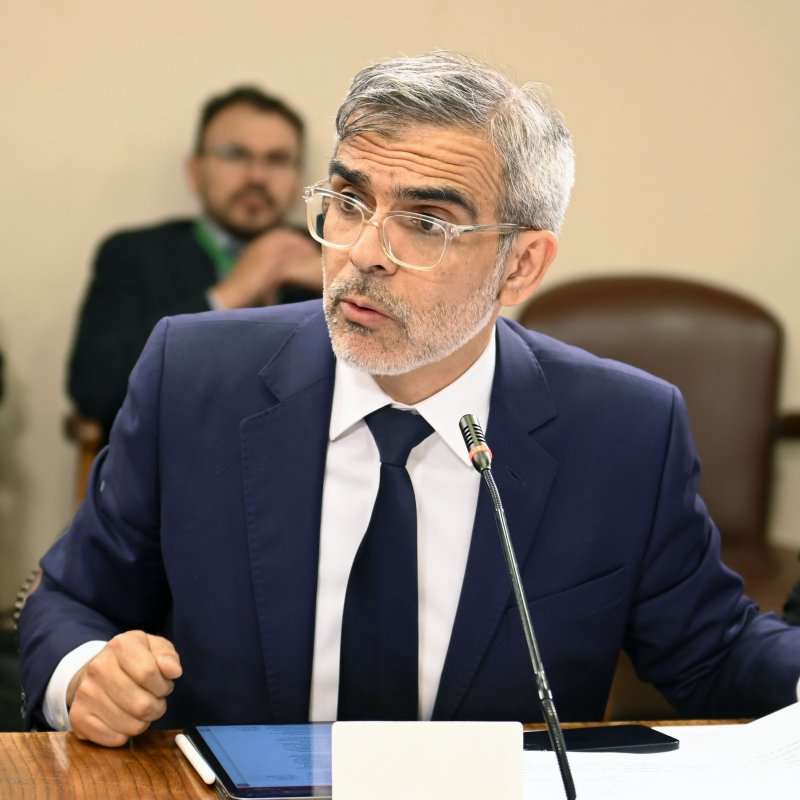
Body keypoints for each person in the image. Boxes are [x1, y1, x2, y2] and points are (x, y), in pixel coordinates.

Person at [19, 51, 800, 747]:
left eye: (426, 222)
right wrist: (86, 675)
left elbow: (717, 655)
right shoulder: (195, 376)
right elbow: (72, 601)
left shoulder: (623, 429)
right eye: (349, 201)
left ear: (522, 266)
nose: (363, 253)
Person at [68, 85, 322, 439]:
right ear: (195, 171)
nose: (257, 176)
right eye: (235, 154)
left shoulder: (337, 256)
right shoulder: (134, 254)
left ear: (298, 179)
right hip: (173, 458)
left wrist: (345, 288)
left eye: (277, 160)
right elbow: (96, 392)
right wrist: (232, 292)